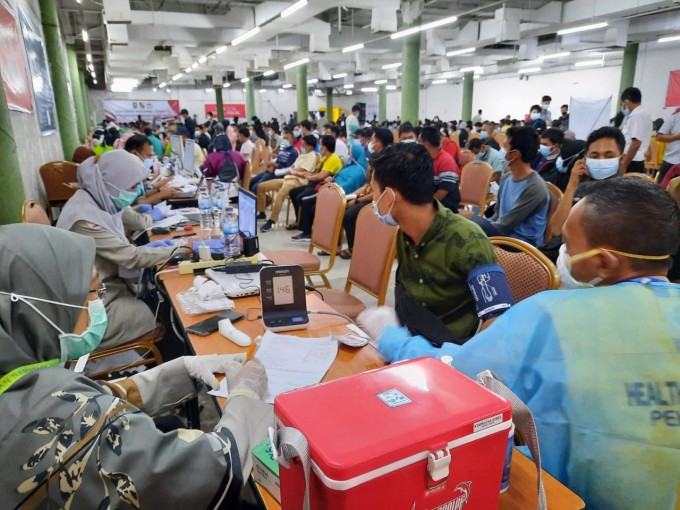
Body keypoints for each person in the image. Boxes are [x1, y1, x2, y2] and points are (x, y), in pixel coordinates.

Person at [371, 177, 680, 510]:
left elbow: (455, 374)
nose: (562, 254)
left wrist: (393, 339)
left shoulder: (550, 315)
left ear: (605, 261)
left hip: (569, 496)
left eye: (568, 245)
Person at [0, 223, 273, 508]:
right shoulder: (51, 416)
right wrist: (244, 399)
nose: (96, 303)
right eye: (93, 291)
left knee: (168, 424)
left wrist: (180, 370)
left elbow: (91, 403)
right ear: (43, 307)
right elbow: (205, 473)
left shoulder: (20, 377)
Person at [361, 142, 513, 344]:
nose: (374, 201)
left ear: (388, 197)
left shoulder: (467, 240)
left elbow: (498, 321)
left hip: (450, 355)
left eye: (375, 193)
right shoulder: (405, 234)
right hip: (414, 344)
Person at [56, 151, 188, 349]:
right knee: (168, 314)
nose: (137, 192)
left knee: (162, 300)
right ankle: (162, 362)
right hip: (91, 305)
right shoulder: (84, 218)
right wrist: (184, 248)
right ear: (112, 183)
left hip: (102, 287)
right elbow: (132, 258)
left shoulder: (97, 197)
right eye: (132, 186)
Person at [470, 126, 549, 247]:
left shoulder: (534, 187)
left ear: (515, 154)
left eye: (504, 148)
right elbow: (497, 215)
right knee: (468, 223)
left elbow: (506, 223)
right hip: (504, 234)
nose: (501, 151)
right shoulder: (507, 178)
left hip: (522, 245)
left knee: (471, 226)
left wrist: (476, 227)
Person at [549, 126, 624, 239]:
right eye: (594, 156)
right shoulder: (581, 186)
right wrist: (571, 185)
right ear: (585, 159)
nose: (601, 161)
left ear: (621, 159)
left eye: (609, 156)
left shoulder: (625, 193)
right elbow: (556, 229)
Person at [258, 135, 320, 232]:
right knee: (261, 187)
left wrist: (291, 170)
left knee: (281, 194)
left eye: (304, 143)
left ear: (310, 146)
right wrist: (287, 170)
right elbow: (292, 167)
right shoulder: (302, 156)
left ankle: (271, 221)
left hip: (298, 180)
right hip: (288, 178)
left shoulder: (313, 156)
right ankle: (262, 213)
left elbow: (303, 170)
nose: (302, 145)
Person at [289, 135, 344, 242]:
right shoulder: (325, 157)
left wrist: (308, 176)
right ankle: (299, 221)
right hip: (315, 184)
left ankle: (307, 232)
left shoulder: (333, 158)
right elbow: (316, 172)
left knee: (304, 199)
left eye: (321, 144)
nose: (320, 146)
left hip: (325, 187)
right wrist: (303, 174)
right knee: (293, 192)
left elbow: (321, 176)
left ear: (325, 147)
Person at [419, 126, 460, 213]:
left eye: (419, 142)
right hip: (430, 201)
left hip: (445, 206)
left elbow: (443, 191)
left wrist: (426, 206)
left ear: (426, 143)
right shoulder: (425, 158)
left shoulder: (446, 161)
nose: (418, 144)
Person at [249, 128, 299, 193]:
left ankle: (258, 201)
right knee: (251, 181)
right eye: (284, 138)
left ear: (293, 139)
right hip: (271, 171)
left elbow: (288, 168)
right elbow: (278, 161)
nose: (285, 140)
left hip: (279, 174)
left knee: (256, 187)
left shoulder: (293, 152)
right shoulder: (283, 150)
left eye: (287, 138)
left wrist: (274, 165)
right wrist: (271, 166)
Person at [620, 87, 652, 173]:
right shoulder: (642, 113)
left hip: (632, 162)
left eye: (622, 104)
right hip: (633, 159)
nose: (622, 107)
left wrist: (623, 166)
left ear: (626, 102)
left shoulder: (637, 115)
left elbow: (636, 143)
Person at [656, 106, 680, 183]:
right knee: (661, 191)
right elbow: (659, 137)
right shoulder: (675, 117)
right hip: (671, 161)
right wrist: (676, 137)